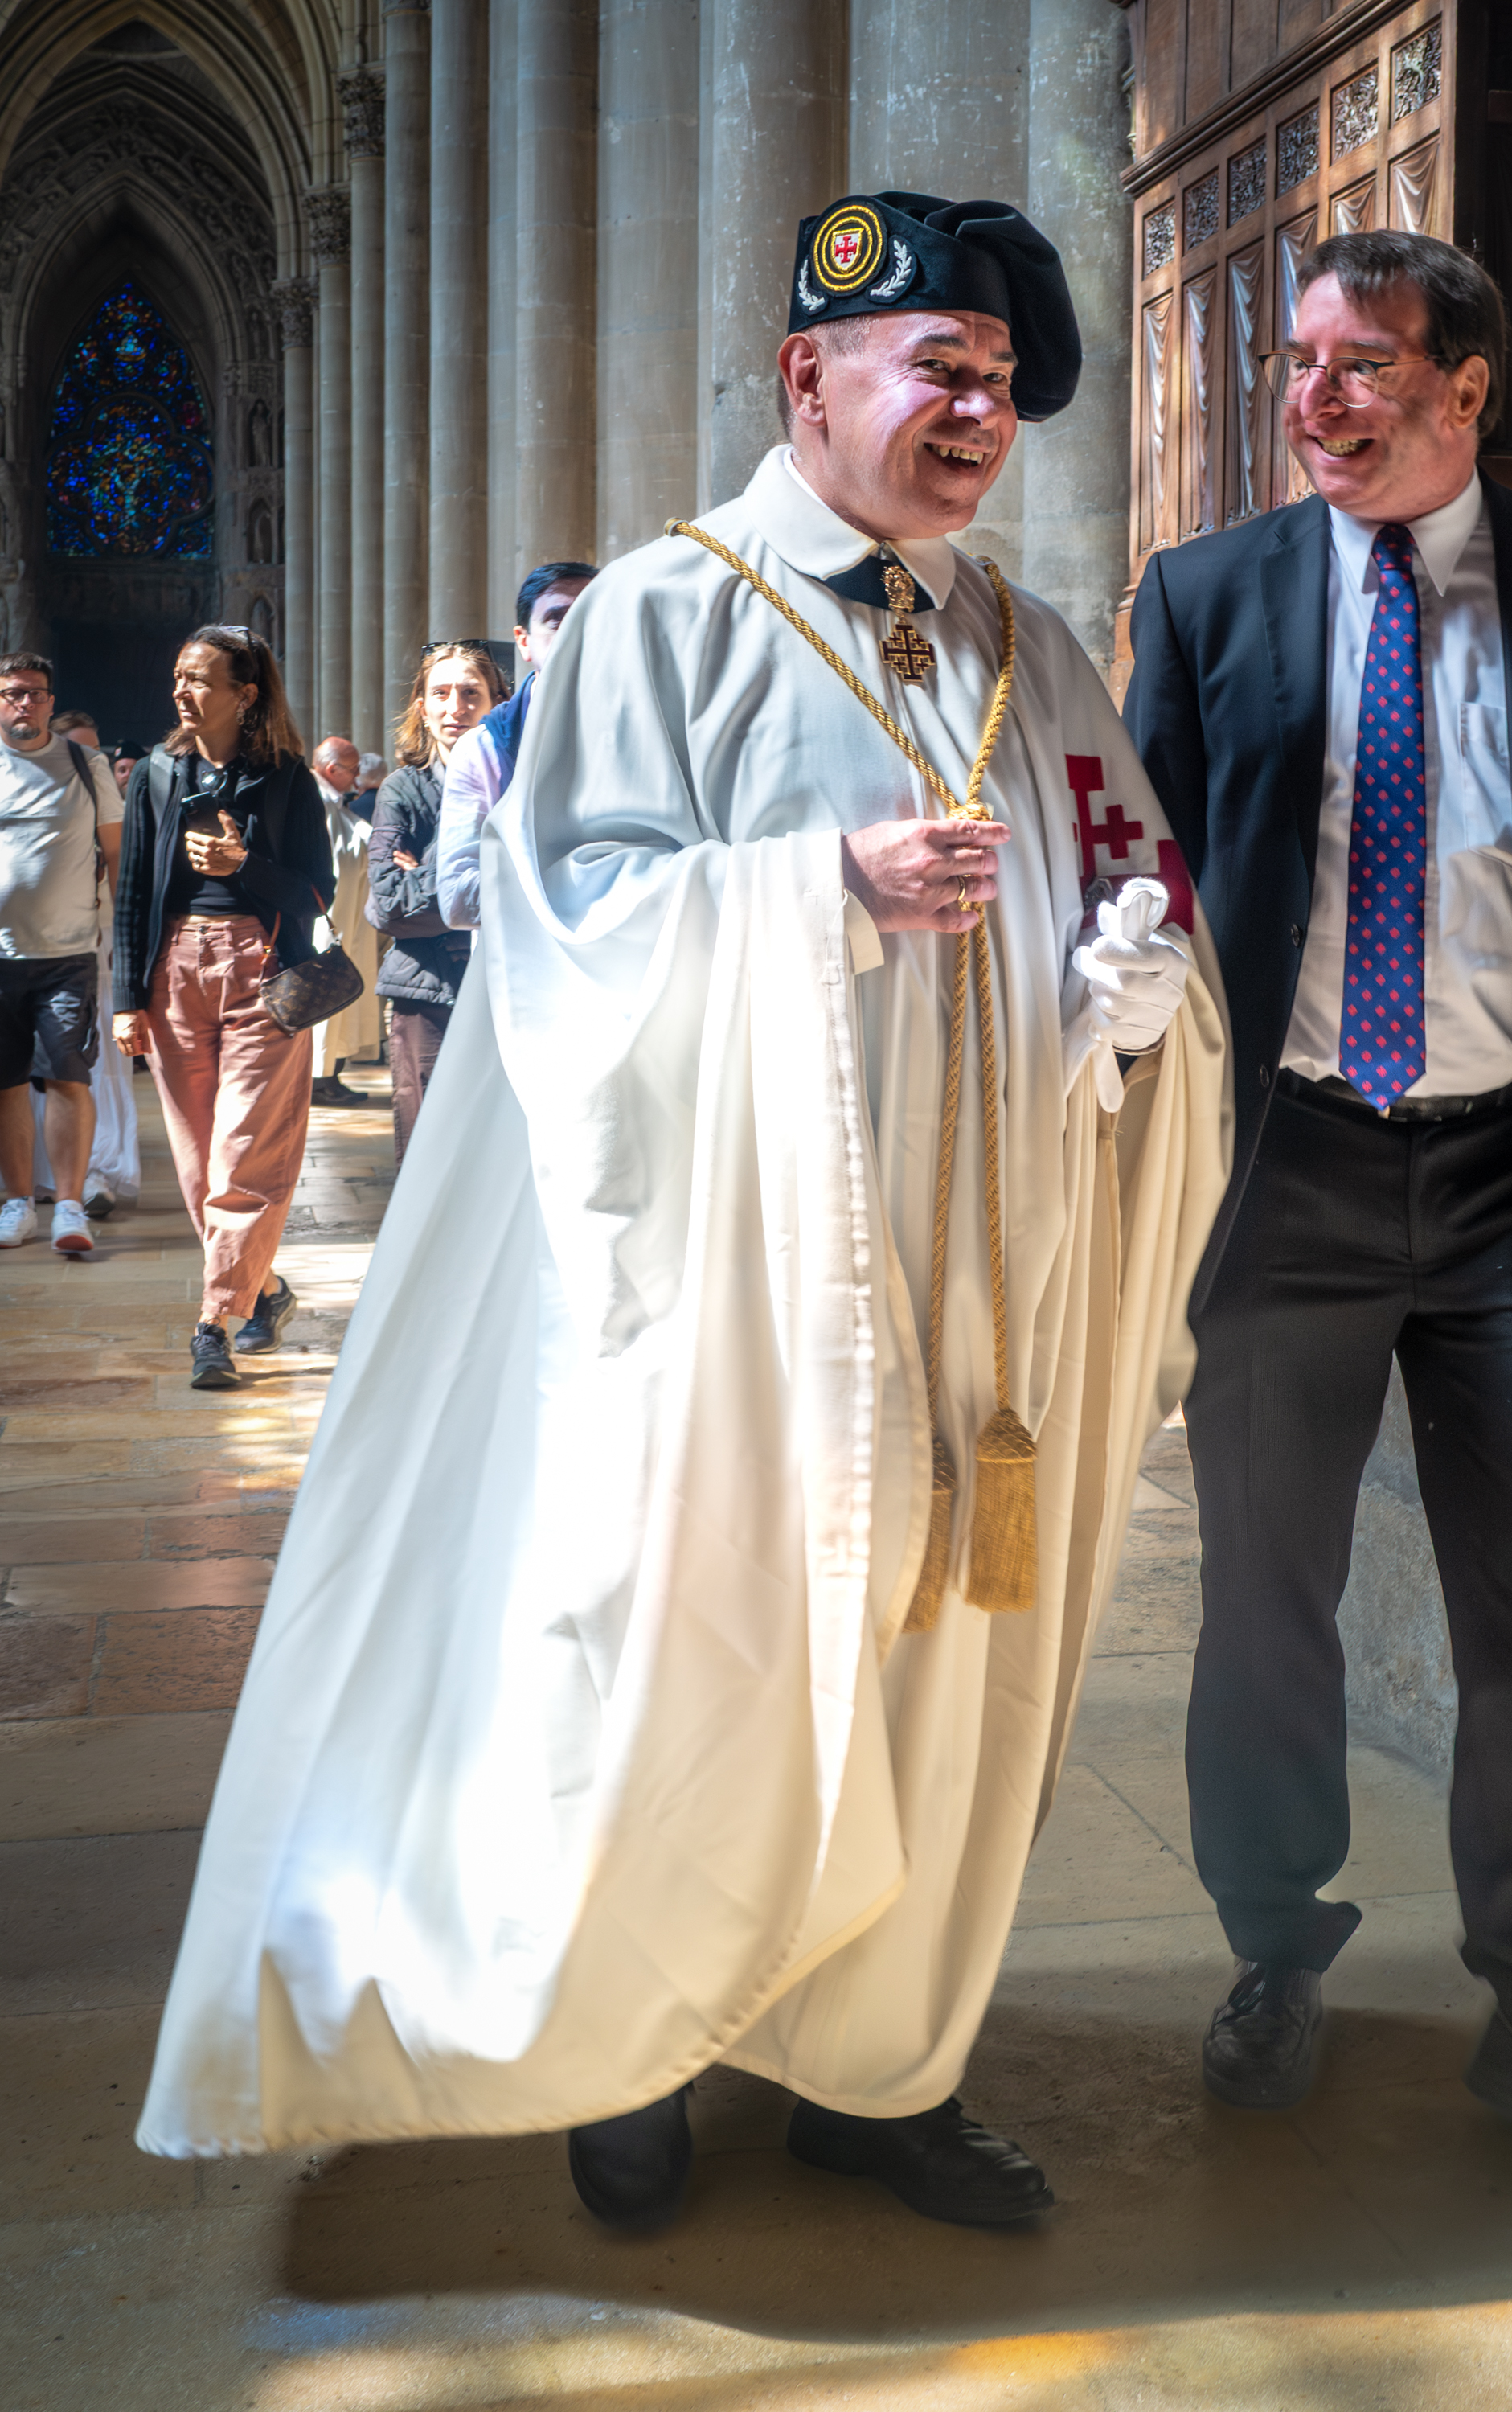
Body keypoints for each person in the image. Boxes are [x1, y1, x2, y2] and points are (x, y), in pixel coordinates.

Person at [138, 190, 1231, 2238]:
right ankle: (633, 2056)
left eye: (1001, 383)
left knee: (944, 1673)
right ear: (810, 375)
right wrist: (813, 891)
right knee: (684, 1651)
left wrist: (1137, 996)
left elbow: (1127, 877)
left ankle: (880, 2069)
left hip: (987, 1290)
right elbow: (560, 930)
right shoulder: (668, 614)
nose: (978, 412)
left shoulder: (1031, 646)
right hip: (732, 1281)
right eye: (940, 366)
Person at [1121, 229, 1512, 2200]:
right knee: (1263, 1603)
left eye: (1360, 364)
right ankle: (1273, 1951)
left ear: (1465, 388)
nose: (1312, 398)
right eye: (1297, 360)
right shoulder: (1205, 594)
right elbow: (1156, 884)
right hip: (1285, 1165)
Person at [113, 626, 331, 1391]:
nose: (182, 689)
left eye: (201, 678)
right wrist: (126, 998)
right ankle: (263, 1288)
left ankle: (213, 1324)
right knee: (197, 1158)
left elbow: (317, 893)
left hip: (262, 971)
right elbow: (132, 889)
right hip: (174, 969)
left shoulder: (287, 778)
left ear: (245, 694)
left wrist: (245, 865)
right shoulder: (156, 772)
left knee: (243, 1153)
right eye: (180, 675)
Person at [0, 656, 122, 1253]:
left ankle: (70, 1207)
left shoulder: (85, 764)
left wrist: (126, 939)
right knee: (6, 1084)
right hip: (1, 956)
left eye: (35, 694)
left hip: (69, 953)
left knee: (68, 1077)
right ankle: (17, 1203)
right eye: (13, 693)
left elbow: (116, 854)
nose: (24, 703)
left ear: (51, 702)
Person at [366, 641, 507, 1158]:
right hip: (426, 991)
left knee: (498, 1147)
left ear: (497, 703)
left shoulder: (518, 783)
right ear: (422, 708)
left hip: (506, 985)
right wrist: (480, 874)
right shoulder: (402, 789)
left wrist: (424, 873)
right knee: (428, 1148)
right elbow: (387, 904)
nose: (456, 707)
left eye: (471, 693)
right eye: (441, 694)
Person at [435, 561, 595, 929]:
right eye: (557, 619)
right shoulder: (483, 749)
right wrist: (606, 879)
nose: (579, 629)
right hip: (526, 956)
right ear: (524, 641)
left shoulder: (650, 730)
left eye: (594, 614)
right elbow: (458, 898)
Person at [34, 710, 141, 1219]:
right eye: (81, 748)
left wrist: (125, 937)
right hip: (34, 945)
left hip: (95, 943)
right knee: (41, 1066)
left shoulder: (103, 797)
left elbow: (120, 865)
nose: (91, 757)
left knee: (95, 1064)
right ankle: (42, 1173)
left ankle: (97, 1168)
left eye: (97, 749)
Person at [308, 735, 381, 1106]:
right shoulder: (315, 800)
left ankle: (330, 1074)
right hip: (326, 922)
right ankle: (318, 1079)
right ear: (332, 769)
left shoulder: (334, 802)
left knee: (343, 994)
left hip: (346, 917)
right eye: (352, 770)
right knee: (326, 993)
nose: (357, 779)